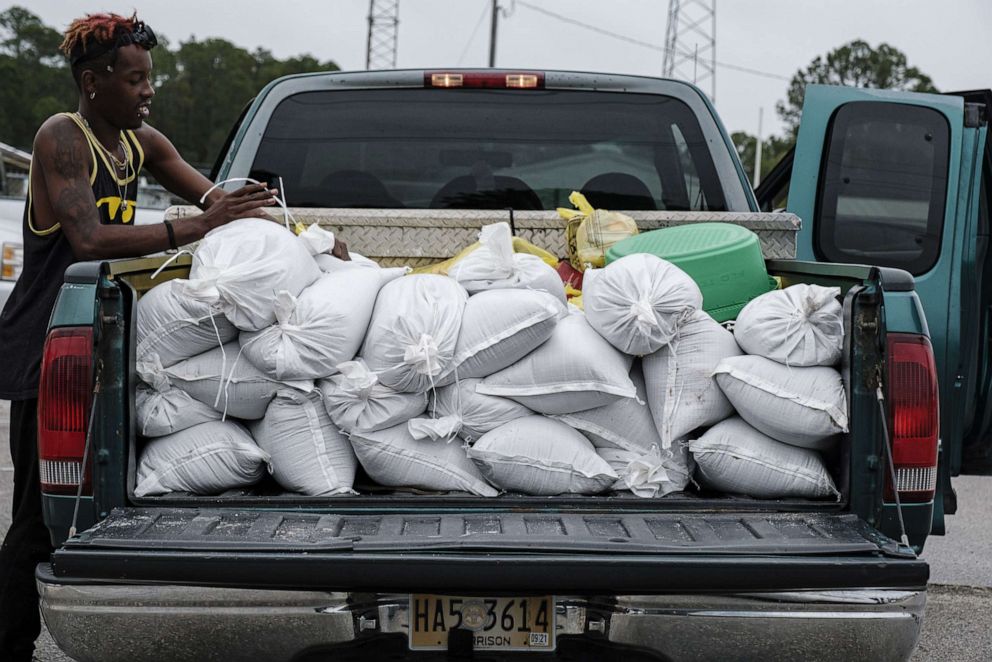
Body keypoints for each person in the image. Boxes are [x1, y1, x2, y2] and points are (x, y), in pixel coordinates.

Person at [0, 12, 345, 660]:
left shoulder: (143, 143)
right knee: (35, 521)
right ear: (94, 82)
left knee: (87, 505)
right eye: (134, 81)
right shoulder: (63, 140)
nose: (147, 91)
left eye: (148, 79)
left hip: (105, 345)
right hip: (50, 350)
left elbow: (224, 200)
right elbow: (91, 241)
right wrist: (196, 226)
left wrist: (304, 239)